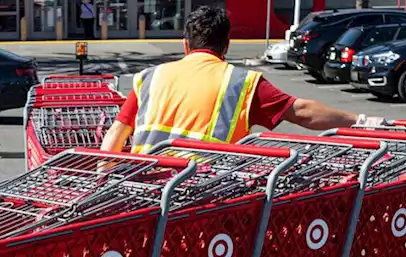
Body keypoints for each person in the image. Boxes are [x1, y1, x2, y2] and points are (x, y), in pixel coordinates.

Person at [101, 6, 380, 153]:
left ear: (186, 45)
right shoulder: (239, 83)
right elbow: (304, 113)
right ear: (226, 46)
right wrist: (362, 121)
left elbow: (115, 135)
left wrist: (105, 179)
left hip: (144, 192)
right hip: (204, 198)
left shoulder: (149, 77)